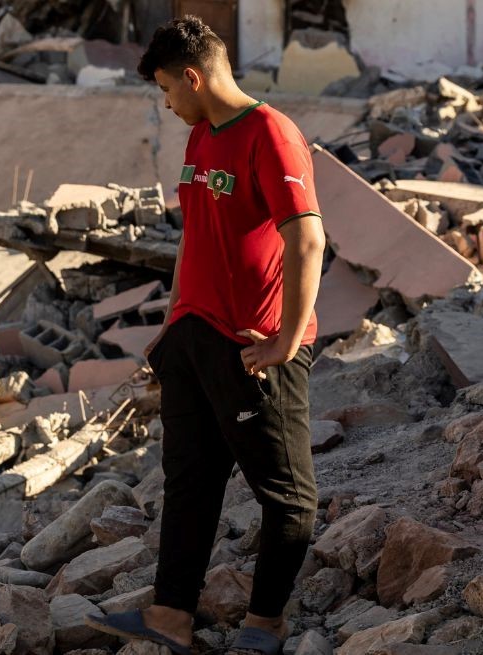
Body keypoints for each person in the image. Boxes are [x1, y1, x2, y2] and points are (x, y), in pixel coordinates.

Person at [85, 15, 326, 655]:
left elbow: (307, 239)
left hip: (252, 345)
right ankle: (171, 615)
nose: (166, 105)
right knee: (189, 482)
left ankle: (265, 625)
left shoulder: (271, 134)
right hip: (192, 340)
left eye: (167, 89)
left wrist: (286, 339)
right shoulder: (200, 136)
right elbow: (196, 234)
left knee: (287, 495)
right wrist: (171, 325)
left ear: (192, 77)